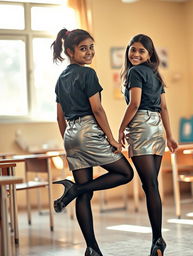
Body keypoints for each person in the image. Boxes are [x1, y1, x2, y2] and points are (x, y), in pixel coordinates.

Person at [51, 28, 134, 256]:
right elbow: (97, 109)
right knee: (125, 173)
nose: (89, 52)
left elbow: (59, 117)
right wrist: (112, 139)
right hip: (89, 130)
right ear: (70, 51)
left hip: (71, 135)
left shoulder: (61, 78)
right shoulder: (88, 74)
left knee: (84, 196)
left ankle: (92, 248)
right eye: (83, 48)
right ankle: (74, 189)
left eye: (91, 47)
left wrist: (70, 142)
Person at [118, 34, 178, 256]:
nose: (135, 54)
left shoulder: (134, 73)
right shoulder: (155, 74)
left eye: (141, 51)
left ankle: (158, 240)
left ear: (150, 54)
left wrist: (121, 128)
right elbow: (163, 108)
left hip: (142, 127)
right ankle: (157, 240)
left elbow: (134, 104)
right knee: (153, 185)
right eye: (133, 49)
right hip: (157, 130)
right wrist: (170, 136)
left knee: (150, 186)